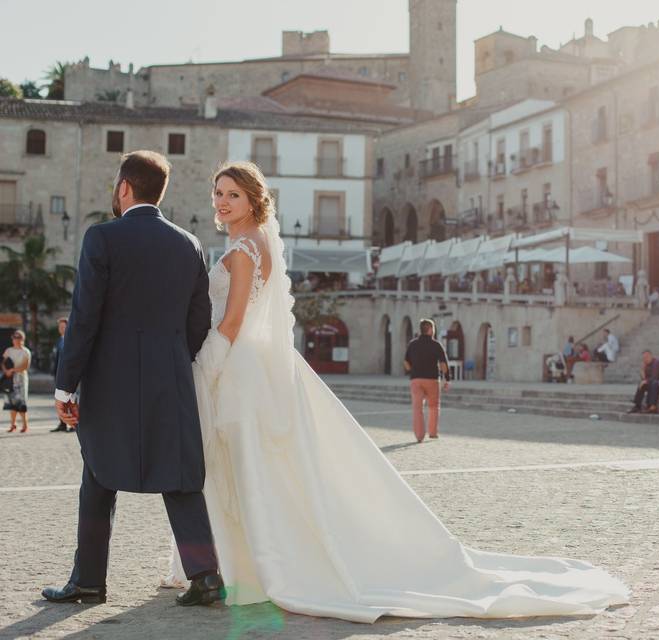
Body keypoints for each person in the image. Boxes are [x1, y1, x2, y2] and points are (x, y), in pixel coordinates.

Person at [161, 161, 627, 622]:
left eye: (232, 195)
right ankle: (249, 559)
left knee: (244, 462)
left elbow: (235, 319)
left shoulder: (243, 249)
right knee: (261, 464)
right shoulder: (258, 241)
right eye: (219, 193)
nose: (222, 202)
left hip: (241, 363)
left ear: (252, 200)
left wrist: (206, 360)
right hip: (260, 363)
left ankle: (251, 563)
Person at [43, 151, 223, 607]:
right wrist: (173, 356)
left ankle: (88, 581)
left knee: (98, 475)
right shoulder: (190, 244)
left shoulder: (101, 238)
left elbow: (84, 317)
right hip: (171, 377)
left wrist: (66, 385)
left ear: (124, 187)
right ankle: (205, 576)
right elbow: (200, 318)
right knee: (181, 476)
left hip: (110, 383)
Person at [403, 318, 450, 442]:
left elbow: (406, 362)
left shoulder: (412, 344)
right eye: (433, 328)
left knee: (417, 408)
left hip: (416, 380)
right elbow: (443, 363)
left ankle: (419, 436)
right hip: (432, 380)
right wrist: (447, 379)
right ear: (430, 330)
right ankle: (433, 433)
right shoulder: (436, 345)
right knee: (434, 406)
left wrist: (411, 371)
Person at [3, 330, 31, 433]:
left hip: (21, 379)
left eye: (18, 338)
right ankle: (13, 424)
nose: (16, 340)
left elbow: (25, 366)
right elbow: (3, 362)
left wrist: (13, 370)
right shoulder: (8, 350)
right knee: (11, 402)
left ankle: (25, 425)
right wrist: (6, 371)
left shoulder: (26, 351)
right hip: (10, 379)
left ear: (22, 339)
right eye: (14, 338)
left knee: (21, 402)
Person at [49, 318, 72, 433]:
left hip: (68, 375)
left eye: (63, 327)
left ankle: (72, 425)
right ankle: (62, 423)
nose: (61, 329)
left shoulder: (71, 340)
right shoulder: (59, 340)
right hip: (58, 374)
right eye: (60, 327)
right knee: (60, 399)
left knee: (70, 400)